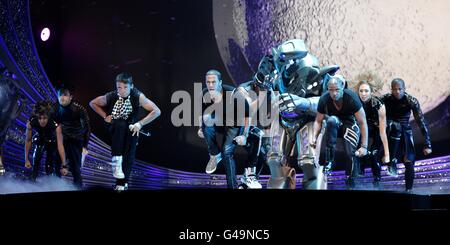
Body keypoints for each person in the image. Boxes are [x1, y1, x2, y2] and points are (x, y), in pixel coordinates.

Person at [90, 72, 161, 191]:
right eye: (119, 87)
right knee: (120, 124)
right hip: (115, 127)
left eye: (125, 87)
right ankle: (116, 159)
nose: (122, 91)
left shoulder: (138, 96)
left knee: (129, 155)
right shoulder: (112, 95)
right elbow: (93, 103)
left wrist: (140, 123)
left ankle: (122, 183)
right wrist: (105, 116)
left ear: (131, 86)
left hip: (131, 129)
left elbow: (157, 111)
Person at [312, 74, 368, 189]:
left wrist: (364, 146)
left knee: (350, 153)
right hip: (335, 125)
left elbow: (362, 122)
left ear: (343, 86)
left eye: (337, 90)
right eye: (331, 90)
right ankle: (330, 161)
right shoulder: (324, 99)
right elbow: (318, 121)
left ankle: (351, 178)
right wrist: (314, 137)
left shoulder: (351, 97)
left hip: (350, 123)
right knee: (331, 120)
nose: (334, 93)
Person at [197, 69, 250, 189]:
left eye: (213, 82)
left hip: (235, 124)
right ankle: (215, 155)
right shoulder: (205, 94)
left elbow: (248, 115)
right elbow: (202, 113)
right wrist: (201, 128)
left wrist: (245, 135)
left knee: (227, 152)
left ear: (220, 82)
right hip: (220, 122)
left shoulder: (233, 94)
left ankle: (233, 187)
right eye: (208, 82)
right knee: (206, 119)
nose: (210, 85)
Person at [381, 78, 432, 192]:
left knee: (409, 161)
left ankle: (409, 190)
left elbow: (421, 122)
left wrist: (427, 144)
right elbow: (373, 106)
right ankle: (391, 162)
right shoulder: (386, 99)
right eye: (394, 89)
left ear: (404, 89)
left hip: (405, 131)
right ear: (391, 89)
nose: (397, 92)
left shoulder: (411, 101)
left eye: (400, 89)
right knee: (395, 128)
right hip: (390, 130)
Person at [351, 73, 390, 187]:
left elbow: (382, 132)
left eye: (366, 91)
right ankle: (359, 170)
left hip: (378, 130)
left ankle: (377, 179)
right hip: (362, 128)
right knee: (358, 151)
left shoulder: (379, 105)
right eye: (361, 91)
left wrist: (387, 153)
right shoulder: (355, 102)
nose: (363, 94)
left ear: (371, 91)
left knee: (373, 154)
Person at [53, 83, 91, 189]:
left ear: (71, 96)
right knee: (56, 165)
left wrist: (85, 146)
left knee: (75, 169)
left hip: (76, 140)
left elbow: (87, 128)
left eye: (65, 95)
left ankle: (78, 188)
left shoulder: (79, 109)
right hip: (62, 140)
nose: (62, 97)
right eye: (60, 95)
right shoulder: (55, 107)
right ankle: (55, 187)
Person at [24, 101, 67, 180]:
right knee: (36, 160)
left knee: (49, 163)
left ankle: (49, 183)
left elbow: (60, 145)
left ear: (48, 116)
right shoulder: (31, 121)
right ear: (37, 116)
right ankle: (32, 179)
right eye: (40, 118)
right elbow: (28, 140)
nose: (42, 121)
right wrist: (26, 159)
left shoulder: (55, 124)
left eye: (44, 118)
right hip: (40, 138)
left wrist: (64, 165)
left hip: (52, 140)